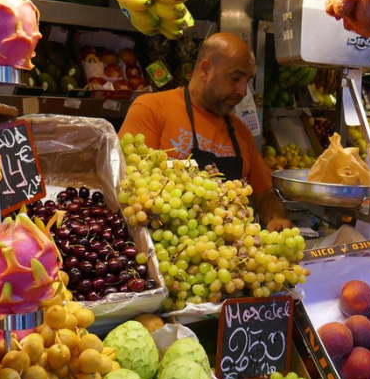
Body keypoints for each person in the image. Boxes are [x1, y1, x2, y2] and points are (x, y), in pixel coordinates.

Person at [119, 32, 291, 231]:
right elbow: (130, 186)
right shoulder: (151, 109)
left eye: (247, 81)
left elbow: (265, 194)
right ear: (205, 70)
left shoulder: (241, 133)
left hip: (224, 246)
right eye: (235, 78)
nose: (243, 91)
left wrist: (276, 217)